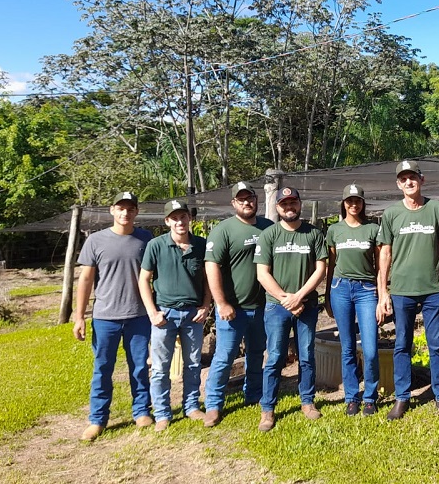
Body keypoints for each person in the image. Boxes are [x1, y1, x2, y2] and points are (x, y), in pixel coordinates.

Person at [377, 160, 439, 421]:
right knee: (402, 344)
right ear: (398, 184)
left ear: (421, 180)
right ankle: (402, 397)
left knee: (437, 344)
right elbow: (385, 253)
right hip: (402, 289)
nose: (408, 182)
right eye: (403, 179)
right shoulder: (391, 214)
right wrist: (383, 291)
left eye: (413, 177)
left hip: (433, 288)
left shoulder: (436, 208)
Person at [73, 191, 154, 441]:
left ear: (136, 212)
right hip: (105, 316)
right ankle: (97, 419)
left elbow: (154, 276)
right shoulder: (96, 241)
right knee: (102, 368)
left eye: (130, 209)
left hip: (138, 316)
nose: (125, 213)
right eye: (121, 208)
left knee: (140, 367)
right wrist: (79, 316)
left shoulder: (146, 239)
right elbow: (85, 279)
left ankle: (141, 411)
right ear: (112, 210)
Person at [254, 186, 328, 432]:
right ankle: (268, 409)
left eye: (292, 203)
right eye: (284, 204)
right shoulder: (269, 235)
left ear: (300, 204)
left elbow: (320, 269)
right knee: (275, 357)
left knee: (306, 356)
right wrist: (286, 298)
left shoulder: (314, 234)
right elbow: (262, 273)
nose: (289, 207)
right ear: (277, 207)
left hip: (306, 305)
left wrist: (299, 297)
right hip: (277, 307)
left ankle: (307, 402)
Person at [202, 182, 273, 427]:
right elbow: (211, 266)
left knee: (256, 353)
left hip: (262, 307)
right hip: (233, 309)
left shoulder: (268, 227)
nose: (246, 202)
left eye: (250, 198)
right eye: (241, 199)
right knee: (224, 356)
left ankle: (253, 393)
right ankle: (213, 404)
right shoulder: (224, 230)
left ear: (257, 199)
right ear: (233, 203)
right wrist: (221, 302)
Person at [138, 199, 211, 432]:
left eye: (184, 217)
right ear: (167, 221)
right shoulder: (156, 245)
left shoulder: (201, 245)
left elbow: (209, 278)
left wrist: (206, 306)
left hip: (193, 314)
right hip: (164, 314)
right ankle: (162, 413)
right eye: (175, 218)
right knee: (160, 367)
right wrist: (152, 312)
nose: (180, 221)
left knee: (193, 363)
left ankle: (191, 406)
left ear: (190, 219)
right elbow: (143, 280)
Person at [325, 184, 381, 417]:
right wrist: (328, 295)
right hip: (340, 288)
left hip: (367, 290)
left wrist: (381, 294)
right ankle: (351, 397)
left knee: (370, 348)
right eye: (349, 200)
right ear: (344, 203)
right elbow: (331, 265)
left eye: (357, 200)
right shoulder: (334, 230)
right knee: (347, 347)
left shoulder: (373, 229)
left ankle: (370, 397)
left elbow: (381, 265)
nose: (353, 204)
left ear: (363, 203)